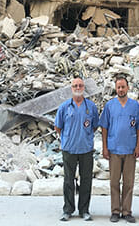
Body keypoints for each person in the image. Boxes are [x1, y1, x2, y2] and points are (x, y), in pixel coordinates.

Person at [55, 77, 100, 222]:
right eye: (75, 85)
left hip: (86, 149)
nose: (78, 87)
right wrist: (67, 138)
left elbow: (94, 126)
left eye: (80, 85)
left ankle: (84, 210)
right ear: (71, 88)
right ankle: (68, 210)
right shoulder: (64, 107)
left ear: (84, 88)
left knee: (86, 180)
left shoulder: (91, 107)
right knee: (68, 180)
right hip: (69, 149)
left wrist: (85, 137)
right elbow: (58, 127)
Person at [100, 75, 139, 223]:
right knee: (114, 182)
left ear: (127, 87)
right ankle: (115, 211)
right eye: (118, 87)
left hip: (130, 149)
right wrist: (105, 147)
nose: (120, 89)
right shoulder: (109, 106)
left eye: (123, 87)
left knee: (129, 182)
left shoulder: (135, 106)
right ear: (115, 88)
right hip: (114, 149)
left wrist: (138, 145)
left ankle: (126, 211)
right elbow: (104, 127)